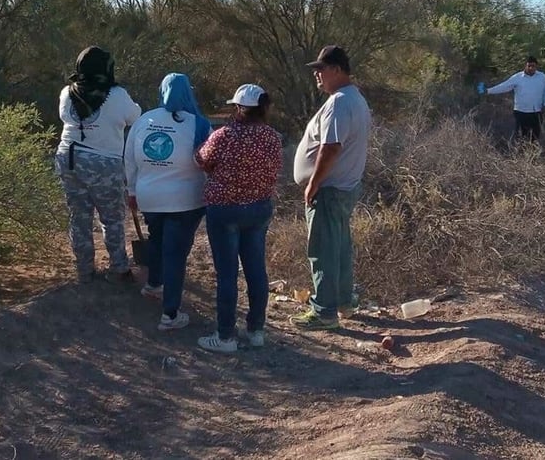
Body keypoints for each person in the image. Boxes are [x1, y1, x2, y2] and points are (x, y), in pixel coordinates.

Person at [194, 84, 282, 353]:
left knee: (227, 274)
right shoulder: (272, 138)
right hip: (258, 209)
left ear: (240, 108)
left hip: (225, 210)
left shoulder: (223, 136)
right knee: (256, 270)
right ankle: (256, 330)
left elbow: (201, 160)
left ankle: (225, 337)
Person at [291, 45, 372, 330]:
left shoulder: (339, 101)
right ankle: (344, 301)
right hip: (343, 186)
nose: (317, 75)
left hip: (330, 188)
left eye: (321, 69)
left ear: (337, 70)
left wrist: (313, 183)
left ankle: (324, 311)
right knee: (339, 246)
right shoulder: (355, 98)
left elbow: (331, 147)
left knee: (323, 249)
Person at [124, 73, 210, 331]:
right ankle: (170, 314)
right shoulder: (200, 124)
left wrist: (131, 190)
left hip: (149, 196)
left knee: (158, 240)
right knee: (176, 253)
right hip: (186, 200)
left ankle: (153, 284)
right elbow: (209, 162)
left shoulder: (143, 120)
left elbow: (129, 158)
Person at [55, 46, 142, 284]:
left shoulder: (66, 93)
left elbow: (65, 117)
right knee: (112, 217)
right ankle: (119, 268)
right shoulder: (117, 95)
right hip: (103, 161)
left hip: (69, 158)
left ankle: (84, 271)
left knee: (79, 217)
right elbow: (135, 117)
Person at [481, 55, 545, 142]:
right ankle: (521, 154)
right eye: (529, 66)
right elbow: (504, 86)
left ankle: (533, 154)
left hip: (536, 112)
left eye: (533, 66)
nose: (531, 68)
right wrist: (488, 91)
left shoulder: (542, 77)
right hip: (521, 112)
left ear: (536, 66)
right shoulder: (518, 77)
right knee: (521, 136)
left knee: (535, 137)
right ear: (525, 66)